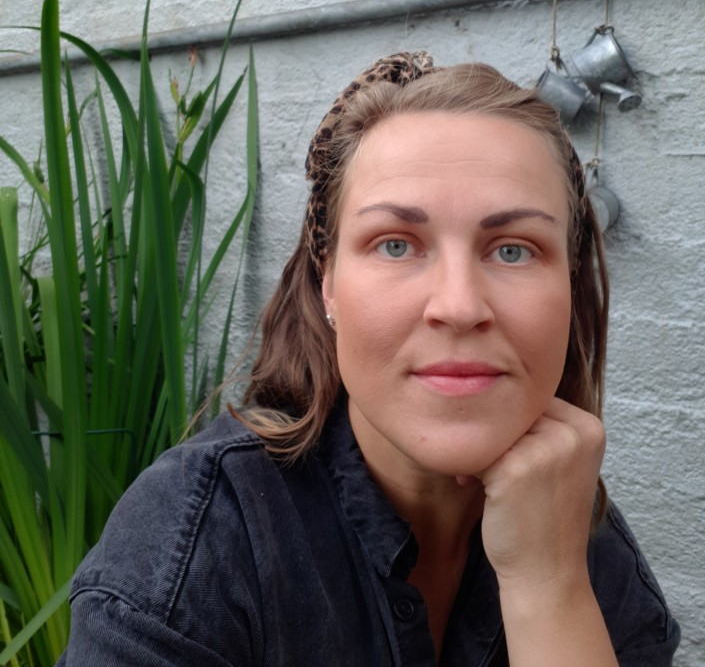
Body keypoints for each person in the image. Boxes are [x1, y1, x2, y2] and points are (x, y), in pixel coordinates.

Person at [56, 52, 680, 666]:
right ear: (327, 283)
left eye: (513, 250)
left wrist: (551, 586)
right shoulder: (197, 543)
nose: (459, 307)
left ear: (570, 286)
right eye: (396, 245)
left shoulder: (580, 541)